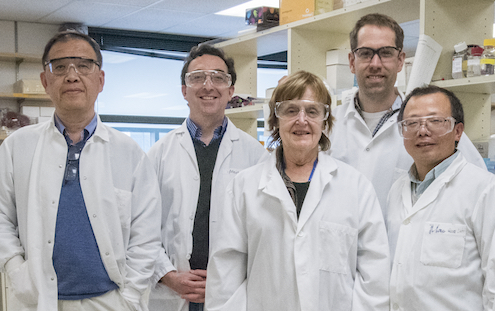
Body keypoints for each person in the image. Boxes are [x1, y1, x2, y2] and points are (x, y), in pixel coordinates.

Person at [0, 31, 162, 311]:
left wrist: (132, 295)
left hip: (110, 301)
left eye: (83, 65)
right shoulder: (17, 146)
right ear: (45, 81)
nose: (72, 75)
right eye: (59, 67)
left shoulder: (130, 152)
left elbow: (145, 235)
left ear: (100, 80)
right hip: (36, 301)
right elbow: (1, 218)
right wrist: (16, 270)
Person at [205, 71, 390, 311]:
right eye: (291, 110)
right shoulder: (244, 187)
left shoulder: (356, 187)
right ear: (275, 119)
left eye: (312, 111)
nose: (301, 120)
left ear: (325, 121)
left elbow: (373, 275)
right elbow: (225, 276)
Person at [327, 13, 486, 221]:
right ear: (351, 61)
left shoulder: (433, 126)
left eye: (385, 53)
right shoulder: (327, 126)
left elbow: (480, 187)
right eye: (365, 53)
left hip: (404, 250)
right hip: (342, 249)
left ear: (400, 60)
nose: (375, 63)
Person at [147, 44, 267, 311]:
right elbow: (141, 229)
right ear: (184, 91)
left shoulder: (256, 157)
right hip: (173, 291)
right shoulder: (158, 154)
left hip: (232, 292)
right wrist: (168, 275)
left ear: (231, 91)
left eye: (218, 77)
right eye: (197, 77)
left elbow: (263, 234)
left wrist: (231, 278)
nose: (208, 85)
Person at [387, 85, 495, 310]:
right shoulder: (397, 191)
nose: (422, 131)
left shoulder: (485, 190)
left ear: (458, 131)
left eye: (436, 121)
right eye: (412, 123)